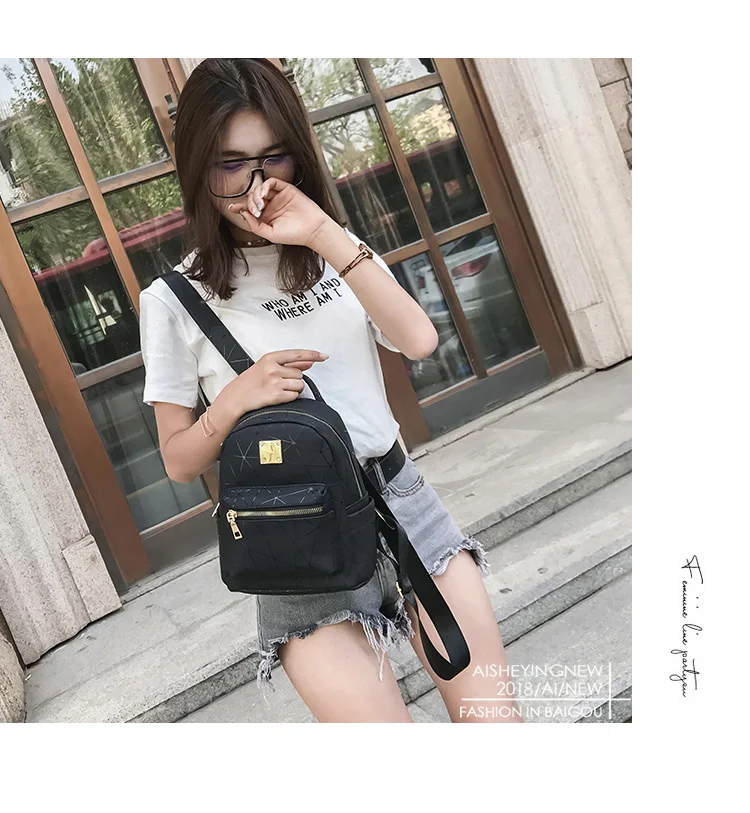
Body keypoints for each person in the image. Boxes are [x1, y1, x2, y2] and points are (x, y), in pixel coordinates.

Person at [139, 58, 521, 723]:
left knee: (495, 725)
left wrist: (321, 233)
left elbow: (417, 339)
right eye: (231, 164)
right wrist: (234, 401)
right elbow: (177, 459)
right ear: (198, 169)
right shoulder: (173, 300)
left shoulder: (332, 246)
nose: (256, 185)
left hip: (401, 501)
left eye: (274, 158)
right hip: (297, 543)